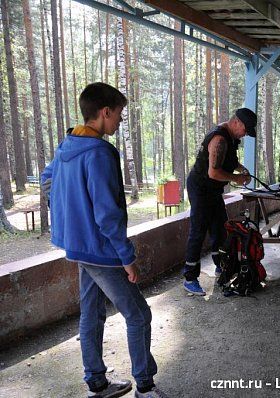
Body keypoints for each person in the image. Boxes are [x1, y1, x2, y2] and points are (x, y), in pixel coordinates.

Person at [41, 83, 167, 398]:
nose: (120, 121)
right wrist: (127, 257)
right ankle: (145, 387)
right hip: (101, 251)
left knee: (92, 314)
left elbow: (47, 181)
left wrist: (69, 217)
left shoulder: (67, 145)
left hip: (78, 247)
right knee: (139, 315)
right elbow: (108, 214)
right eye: (119, 115)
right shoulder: (100, 152)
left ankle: (97, 384)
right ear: (105, 112)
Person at [182, 108, 255, 295]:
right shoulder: (219, 139)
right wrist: (237, 179)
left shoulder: (230, 138)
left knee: (220, 228)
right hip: (200, 188)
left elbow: (228, 160)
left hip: (213, 189)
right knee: (198, 231)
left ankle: (220, 266)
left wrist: (240, 168)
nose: (245, 134)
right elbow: (213, 172)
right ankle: (190, 278)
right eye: (245, 130)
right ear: (237, 122)